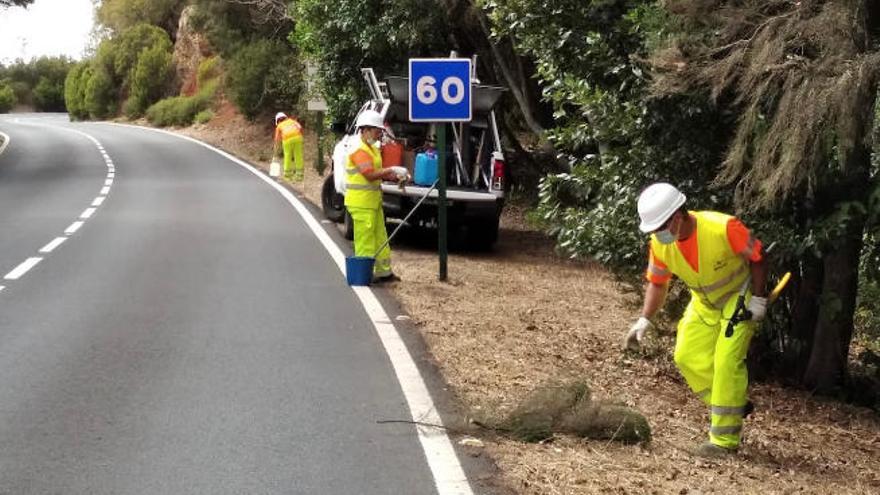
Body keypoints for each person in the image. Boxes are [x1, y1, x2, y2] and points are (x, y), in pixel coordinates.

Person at [624, 182, 768, 458]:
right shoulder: (660, 245)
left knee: (726, 361)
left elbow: (759, 257)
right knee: (685, 356)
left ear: (678, 217)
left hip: (738, 298)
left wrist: (758, 299)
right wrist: (644, 319)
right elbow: (657, 283)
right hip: (704, 303)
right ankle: (733, 402)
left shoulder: (723, 227)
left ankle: (723, 443)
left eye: (659, 227)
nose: (656, 234)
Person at [344, 109, 400, 283]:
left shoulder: (372, 148)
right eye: (376, 131)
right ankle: (363, 275)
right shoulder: (358, 149)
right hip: (361, 203)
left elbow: (377, 172)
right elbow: (369, 174)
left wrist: (395, 176)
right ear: (365, 129)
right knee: (366, 240)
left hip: (373, 202)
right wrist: (390, 170)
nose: (378, 135)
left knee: (380, 237)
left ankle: (384, 272)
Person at [273, 112, 304, 181]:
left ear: (277, 121)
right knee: (298, 155)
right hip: (298, 137)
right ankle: (299, 175)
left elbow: (277, 140)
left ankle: (287, 175)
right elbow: (300, 128)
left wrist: (275, 150)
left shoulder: (279, 126)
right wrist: (300, 137)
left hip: (287, 140)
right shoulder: (292, 121)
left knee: (287, 156)